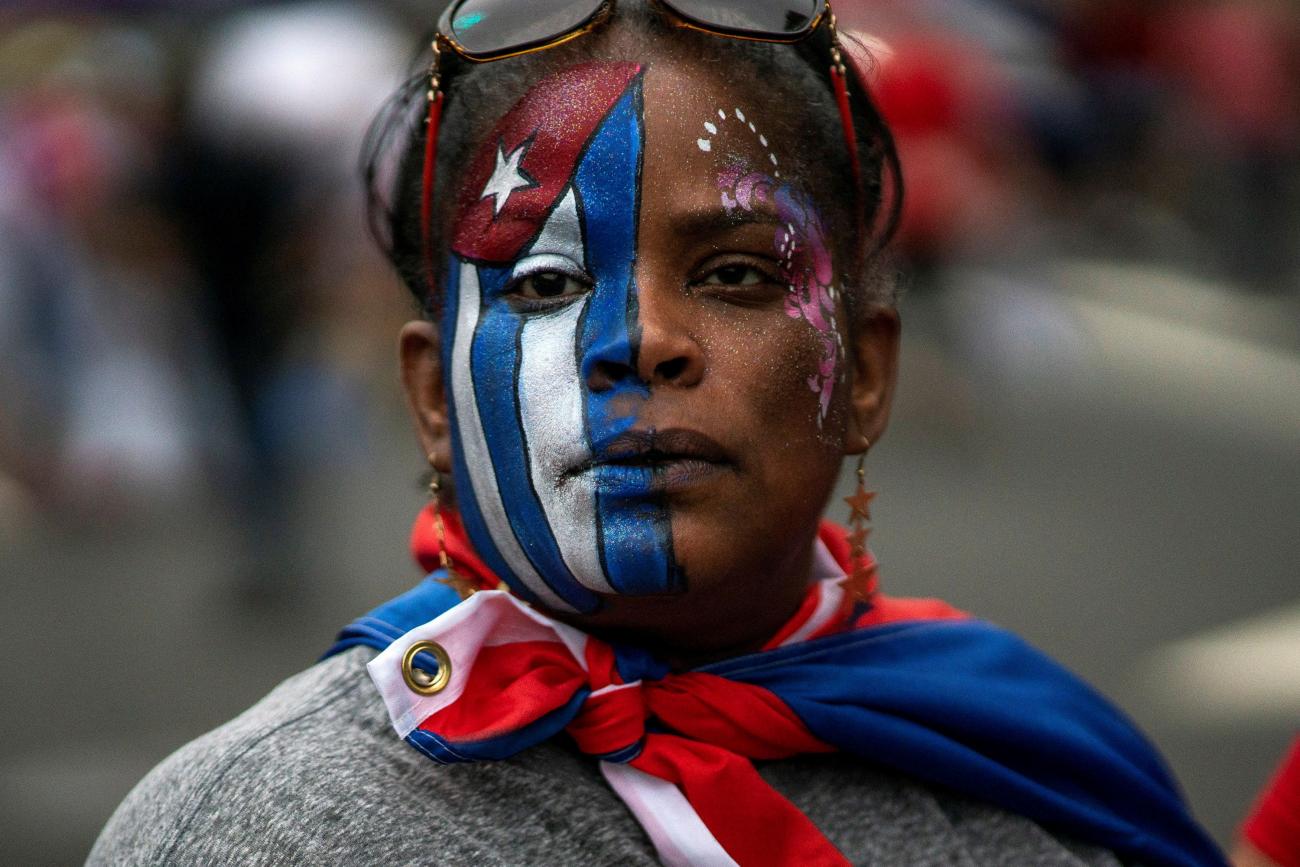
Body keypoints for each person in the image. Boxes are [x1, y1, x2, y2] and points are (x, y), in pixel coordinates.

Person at [89, 2, 1226, 864]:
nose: (637, 344)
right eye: (540, 284)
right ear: (433, 393)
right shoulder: (253, 830)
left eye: (734, 275)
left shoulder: (1037, 768)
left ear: (865, 373)